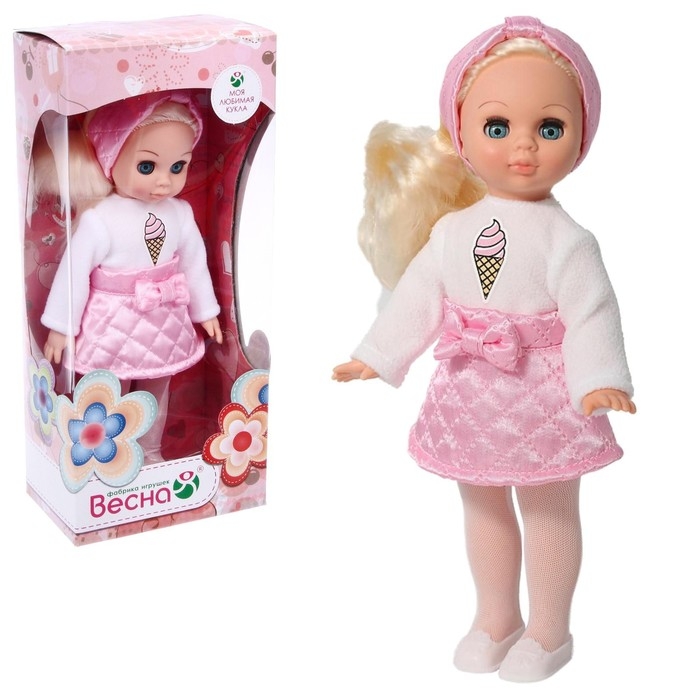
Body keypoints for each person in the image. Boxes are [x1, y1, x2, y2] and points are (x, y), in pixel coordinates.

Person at [333, 16, 635, 682]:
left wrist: (599, 377)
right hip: (471, 387)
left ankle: (550, 632)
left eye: (549, 128)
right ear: (462, 132)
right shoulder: (451, 230)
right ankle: (496, 617)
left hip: (546, 392)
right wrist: (378, 354)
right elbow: (419, 297)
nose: (523, 147)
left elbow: (592, 311)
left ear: (581, 136)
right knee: (481, 504)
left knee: (549, 506)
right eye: (498, 126)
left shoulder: (570, 240)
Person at [39, 91, 223, 462]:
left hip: (166, 318)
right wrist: (61, 325)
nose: (164, 182)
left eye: (178, 167)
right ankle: (113, 457)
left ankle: (151, 451)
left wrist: (206, 311)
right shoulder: (100, 218)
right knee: (112, 391)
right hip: (114, 320)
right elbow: (74, 271)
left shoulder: (180, 212)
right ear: (111, 160)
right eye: (147, 166)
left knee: (159, 385)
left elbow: (194, 263)